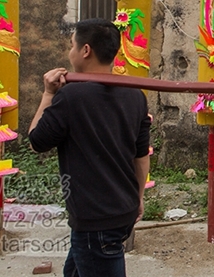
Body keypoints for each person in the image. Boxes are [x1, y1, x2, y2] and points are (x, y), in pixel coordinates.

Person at [29, 19, 151, 277]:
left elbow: (37, 141)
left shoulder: (70, 97)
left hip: (96, 218)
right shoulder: (135, 95)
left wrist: (48, 95)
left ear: (85, 50)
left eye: (71, 46)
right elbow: (141, 157)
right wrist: (138, 197)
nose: (70, 53)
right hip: (121, 209)